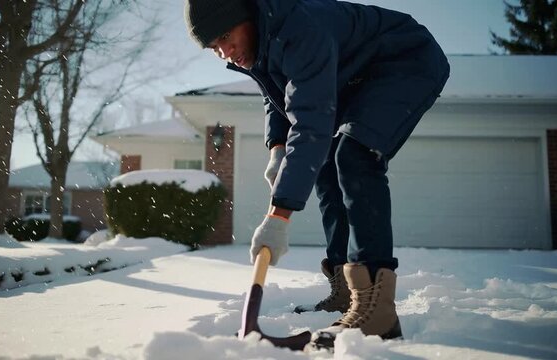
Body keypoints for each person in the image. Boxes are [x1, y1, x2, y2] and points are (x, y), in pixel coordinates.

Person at [184, 0, 449, 350]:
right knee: (325, 167)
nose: (224, 52)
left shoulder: (300, 28)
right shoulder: (259, 42)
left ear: (245, 16)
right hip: (356, 74)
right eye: (213, 47)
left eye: (225, 37)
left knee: (355, 158)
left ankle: (377, 309)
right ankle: (346, 290)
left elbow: (311, 124)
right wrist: (277, 146)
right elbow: (278, 95)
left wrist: (279, 215)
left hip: (406, 61)